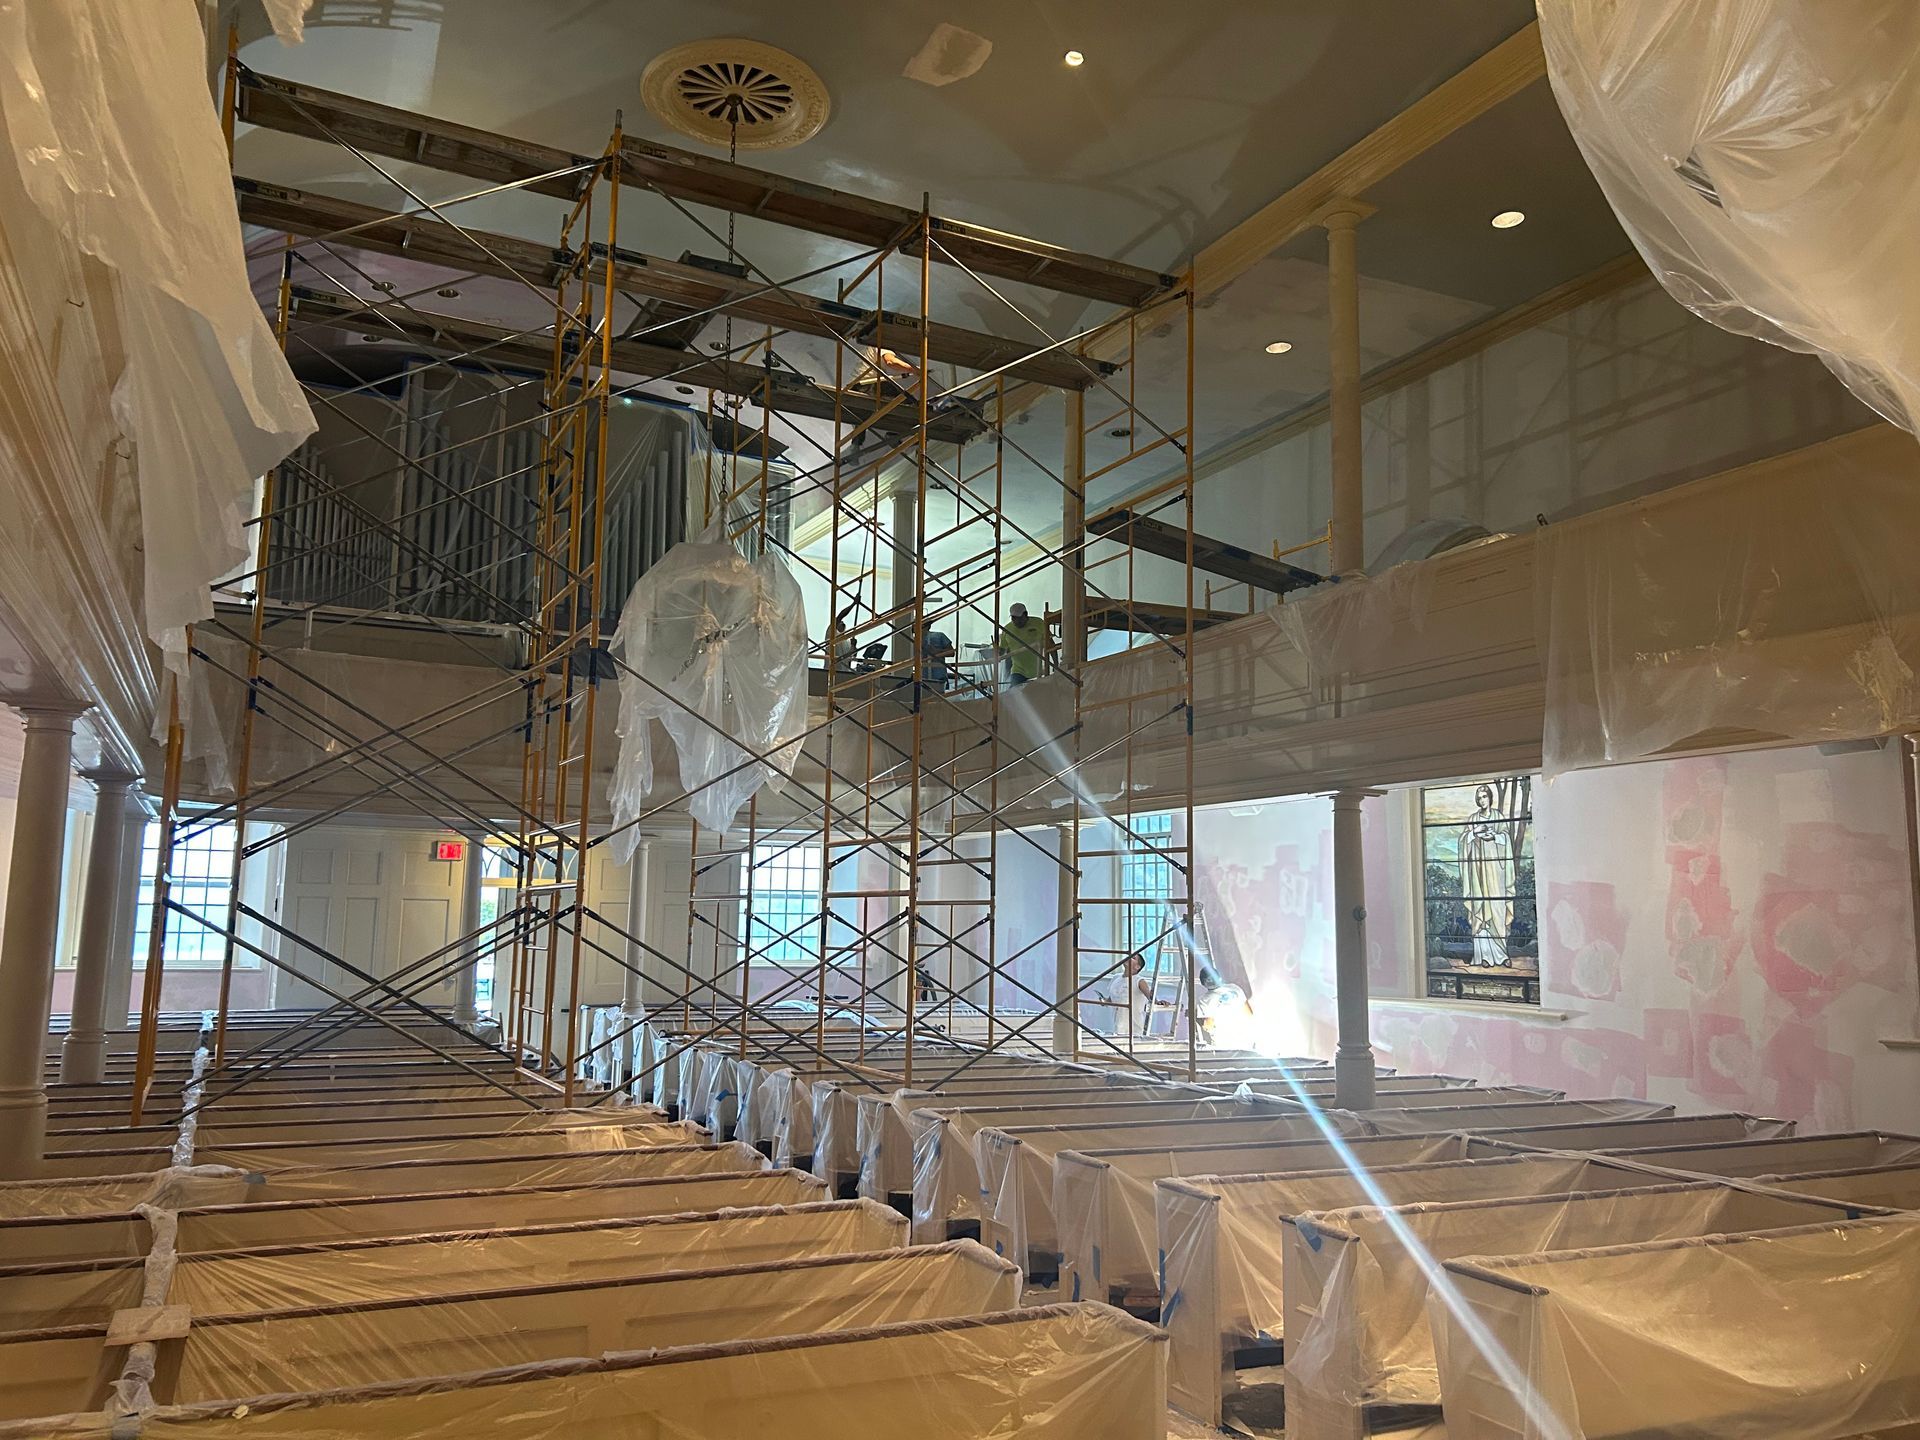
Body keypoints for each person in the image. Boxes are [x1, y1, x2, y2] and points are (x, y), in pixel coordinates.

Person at [995, 602, 1052, 687]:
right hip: (1018, 671)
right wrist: (996, 652)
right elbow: (1001, 651)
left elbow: (1050, 644)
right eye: (1013, 618)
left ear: (1026, 614)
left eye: (1019, 618)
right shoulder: (1007, 630)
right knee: (1013, 693)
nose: (1016, 621)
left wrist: (1056, 665)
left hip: (1038, 670)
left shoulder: (1038, 623)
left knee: (1039, 694)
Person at [921, 625, 955, 691]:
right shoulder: (913, 639)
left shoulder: (939, 636)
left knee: (939, 699)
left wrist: (937, 651)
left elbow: (951, 652)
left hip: (939, 677)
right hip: (922, 678)